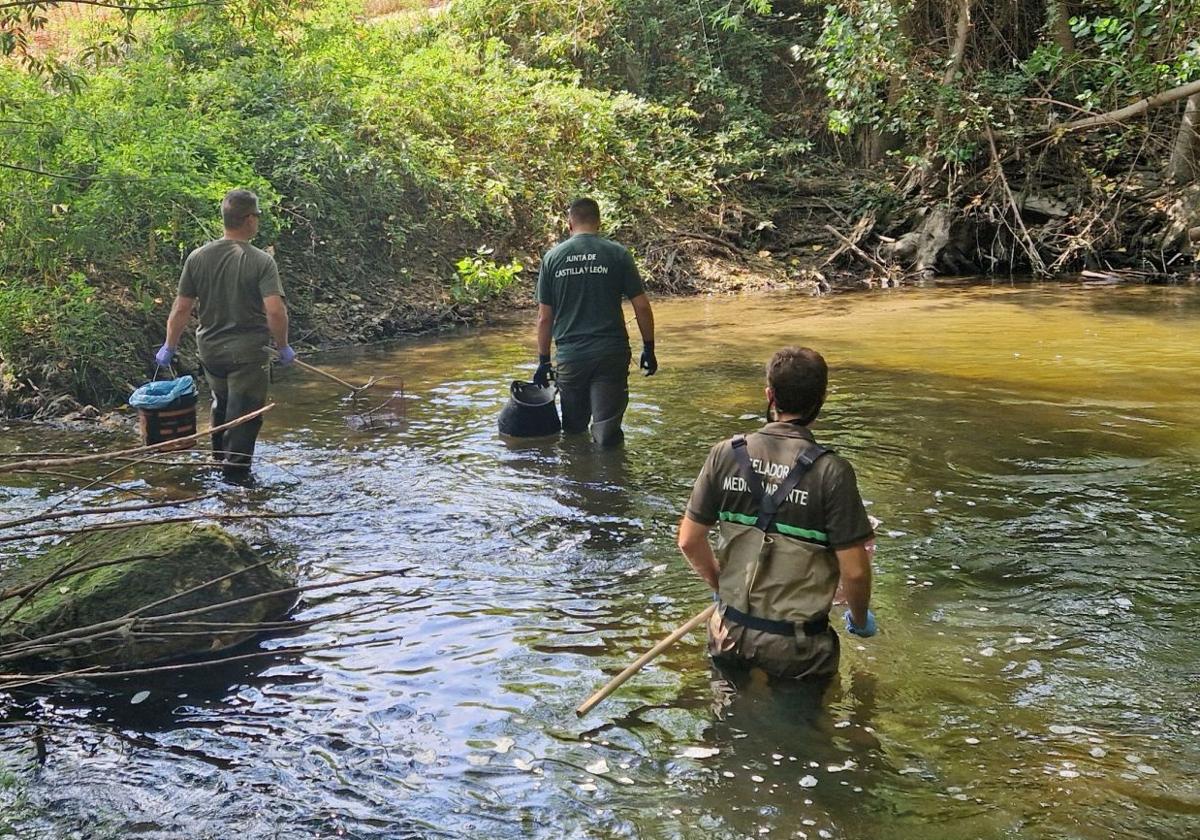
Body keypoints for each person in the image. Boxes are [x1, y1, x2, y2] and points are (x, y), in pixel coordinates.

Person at [677, 347, 877, 684]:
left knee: (726, 726)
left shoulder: (725, 454)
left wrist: (721, 588)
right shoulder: (832, 472)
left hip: (729, 630)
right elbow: (855, 572)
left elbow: (688, 541)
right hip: (798, 648)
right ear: (822, 398)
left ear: (770, 395)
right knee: (804, 733)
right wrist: (859, 620)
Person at [155, 189, 294, 477]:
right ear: (248, 220)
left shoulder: (197, 257)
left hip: (210, 352)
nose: (257, 221)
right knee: (244, 416)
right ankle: (235, 483)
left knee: (222, 403)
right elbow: (275, 311)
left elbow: (181, 310)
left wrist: (169, 346)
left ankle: (217, 463)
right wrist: (282, 346)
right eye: (256, 216)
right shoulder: (261, 261)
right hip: (248, 354)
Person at [533, 197, 656, 447]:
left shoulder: (553, 258)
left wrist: (543, 361)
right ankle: (613, 478)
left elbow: (545, 318)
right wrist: (649, 349)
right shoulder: (618, 254)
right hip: (610, 354)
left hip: (571, 357)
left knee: (574, 432)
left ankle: (577, 481)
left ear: (569, 224)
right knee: (607, 431)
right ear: (599, 222)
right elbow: (641, 306)